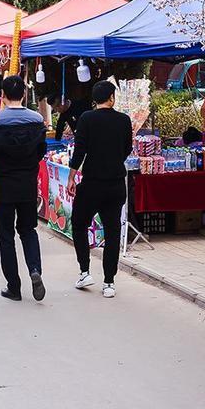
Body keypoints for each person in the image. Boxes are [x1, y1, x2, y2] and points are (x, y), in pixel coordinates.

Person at [0, 75, 47, 302]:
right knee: (28, 231)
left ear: (3, 96)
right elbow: (40, 152)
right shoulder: (37, 121)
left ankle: (14, 287)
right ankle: (35, 270)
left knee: (6, 236)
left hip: (4, 186)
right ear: (24, 95)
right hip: (27, 185)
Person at [69, 80, 132, 298]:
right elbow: (127, 149)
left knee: (79, 224)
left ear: (95, 100)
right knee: (113, 231)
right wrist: (113, 161)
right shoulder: (124, 120)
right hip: (115, 184)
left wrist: (71, 177)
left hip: (91, 183)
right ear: (112, 98)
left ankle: (85, 271)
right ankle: (109, 282)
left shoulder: (87, 118)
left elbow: (79, 151)